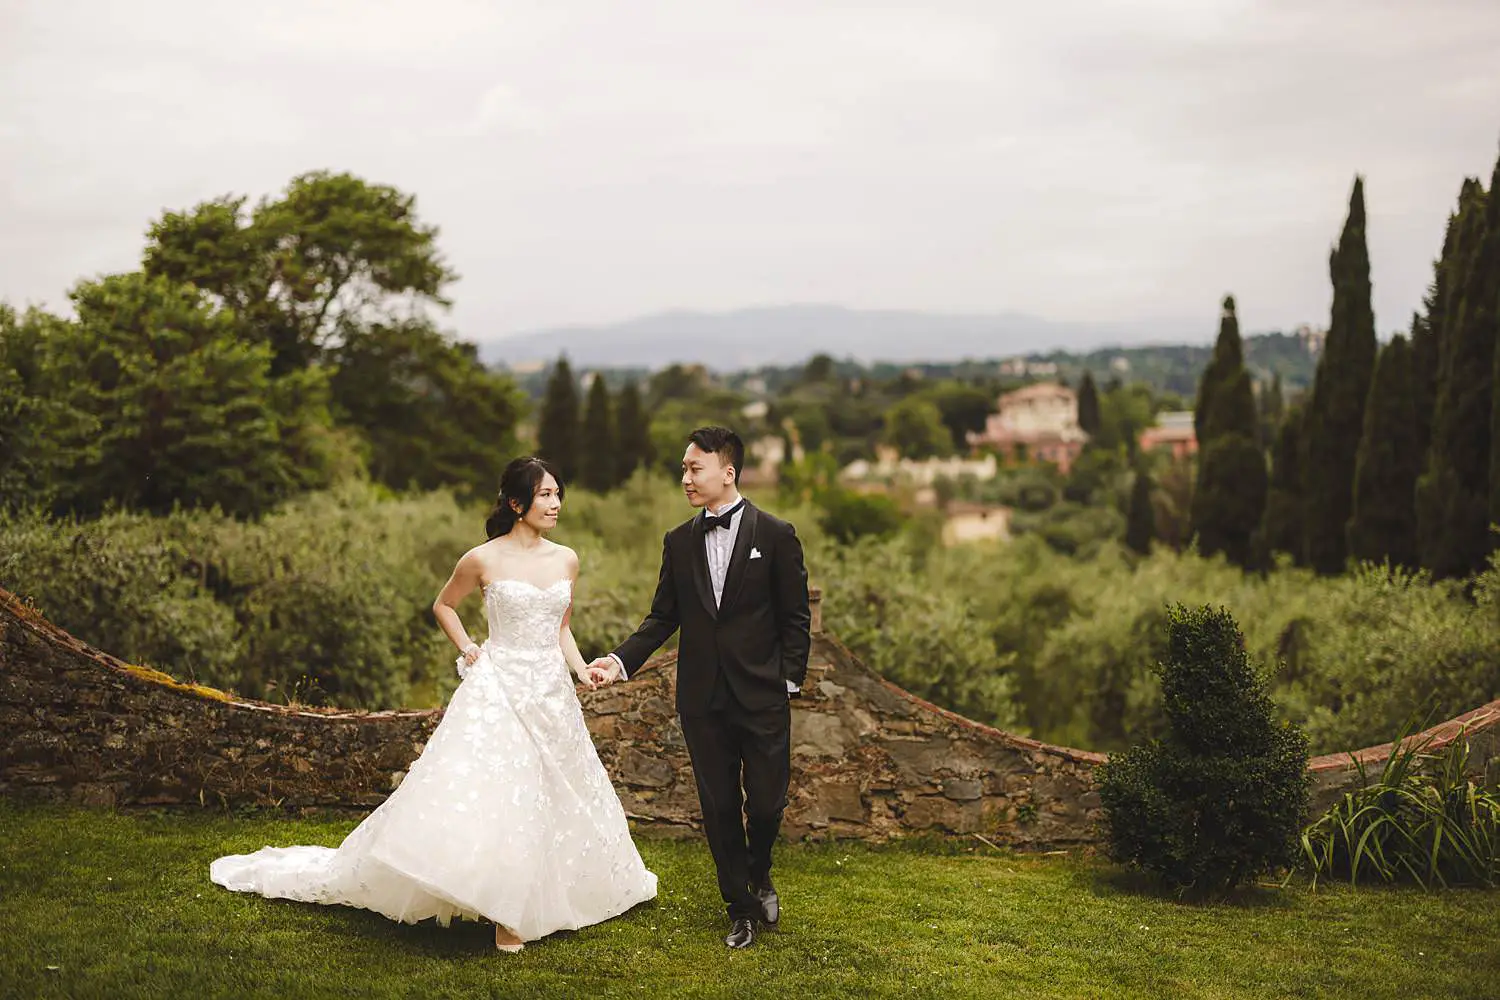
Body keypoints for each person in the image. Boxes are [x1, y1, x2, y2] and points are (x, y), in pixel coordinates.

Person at [210, 457, 657, 953]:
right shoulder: (481, 559)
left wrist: (580, 670)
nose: (555, 504)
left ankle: (548, 895)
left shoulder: (567, 559)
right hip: (499, 688)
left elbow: (561, 628)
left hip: (550, 692)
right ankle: (506, 916)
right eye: (546, 495)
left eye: (558, 494)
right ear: (516, 503)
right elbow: (443, 605)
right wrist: (468, 647)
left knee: (551, 792)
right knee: (507, 791)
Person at [590, 426, 811, 949]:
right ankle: (740, 907)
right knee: (717, 808)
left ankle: (760, 872)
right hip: (702, 699)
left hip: (762, 695)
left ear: (727, 473)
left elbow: (795, 616)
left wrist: (788, 681)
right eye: (684, 468)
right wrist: (620, 661)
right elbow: (662, 617)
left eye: (694, 468)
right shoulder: (678, 541)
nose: (684, 477)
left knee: (765, 805)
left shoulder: (777, 535)